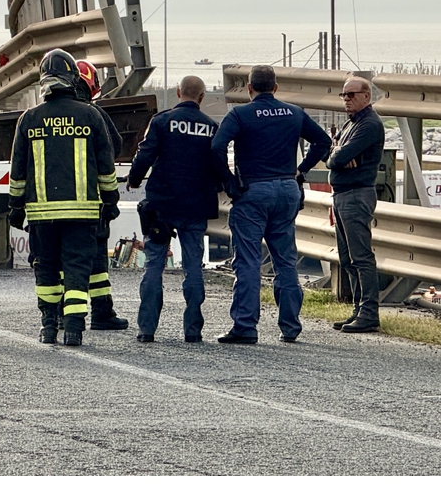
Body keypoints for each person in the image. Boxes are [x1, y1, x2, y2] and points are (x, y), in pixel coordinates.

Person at [210, 65, 331, 344]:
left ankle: (245, 326)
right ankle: (290, 326)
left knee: (249, 261)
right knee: (285, 260)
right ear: (275, 88)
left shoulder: (240, 114)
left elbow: (217, 147)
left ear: (249, 88)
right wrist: (301, 170)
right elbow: (323, 141)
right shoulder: (294, 112)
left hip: (253, 191)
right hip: (287, 189)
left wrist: (228, 180)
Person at [8, 49, 120, 347]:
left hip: (41, 214)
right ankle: (73, 328)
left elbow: (18, 172)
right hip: (82, 213)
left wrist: (15, 208)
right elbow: (106, 167)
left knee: (46, 268)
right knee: (77, 269)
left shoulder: (29, 119)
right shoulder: (91, 115)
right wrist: (110, 202)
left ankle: (48, 326)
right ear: (73, 79)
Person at [127, 75, 219, 343]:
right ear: (201, 97)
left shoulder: (162, 121)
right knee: (193, 267)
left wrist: (134, 179)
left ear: (179, 93)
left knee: (154, 265)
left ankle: (147, 329)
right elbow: (217, 165)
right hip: (196, 206)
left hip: (162, 205)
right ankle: (193, 330)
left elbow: (145, 154)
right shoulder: (211, 127)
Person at [327, 75, 385, 333]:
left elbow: (337, 158)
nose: (346, 99)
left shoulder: (370, 124)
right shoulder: (351, 123)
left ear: (366, 96)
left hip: (356, 194)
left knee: (361, 256)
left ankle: (369, 313)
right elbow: (331, 153)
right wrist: (337, 152)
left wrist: (338, 154)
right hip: (342, 194)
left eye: (351, 95)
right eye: (344, 95)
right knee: (347, 257)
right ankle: (358, 310)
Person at [74, 59, 128, 330]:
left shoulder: (42, 114)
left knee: (61, 261)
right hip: (91, 201)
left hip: (51, 205)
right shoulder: (94, 114)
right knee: (96, 260)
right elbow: (114, 145)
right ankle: (101, 312)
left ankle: (63, 315)